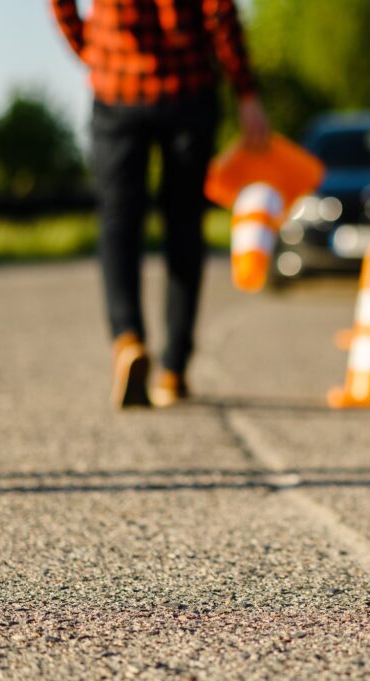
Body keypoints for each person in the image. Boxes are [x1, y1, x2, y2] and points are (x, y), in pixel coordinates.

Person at [50, 0, 268, 408]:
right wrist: (246, 90)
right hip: (189, 89)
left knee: (118, 222)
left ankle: (128, 338)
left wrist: (93, 51)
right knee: (184, 226)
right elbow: (219, 10)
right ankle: (173, 369)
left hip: (117, 87)